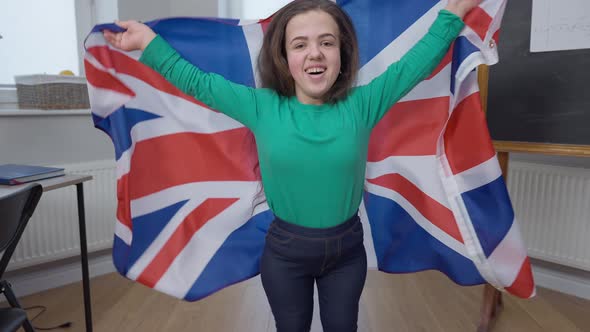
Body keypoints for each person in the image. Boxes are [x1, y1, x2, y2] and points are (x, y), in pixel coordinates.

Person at [103, 0, 480, 331]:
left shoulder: (362, 105)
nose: (314, 53)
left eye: (327, 43)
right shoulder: (262, 106)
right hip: (284, 255)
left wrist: (454, 12)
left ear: (342, 55)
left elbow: (413, 65)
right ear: (284, 59)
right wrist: (147, 43)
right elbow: (198, 83)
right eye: (300, 45)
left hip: (347, 254)